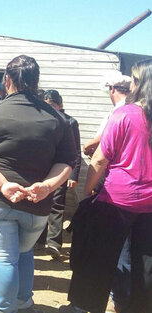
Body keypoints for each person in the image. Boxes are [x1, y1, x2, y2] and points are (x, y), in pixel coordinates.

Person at [0, 55, 75, 313]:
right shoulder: (57, 119)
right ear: (36, 82)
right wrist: (48, 186)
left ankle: (5, 310)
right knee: (25, 253)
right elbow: (67, 161)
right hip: (37, 206)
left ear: (7, 80)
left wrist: (4, 185)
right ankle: (24, 304)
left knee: (5, 259)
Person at [60, 59, 152, 313]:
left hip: (117, 200)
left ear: (141, 83)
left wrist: (88, 191)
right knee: (146, 263)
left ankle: (82, 307)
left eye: (133, 79)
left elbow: (100, 159)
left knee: (97, 257)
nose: (131, 84)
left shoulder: (125, 114)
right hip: (149, 205)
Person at [37, 90, 81, 259]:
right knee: (39, 201)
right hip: (42, 168)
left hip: (61, 170)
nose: (50, 108)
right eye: (47, 104)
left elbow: (76, 151)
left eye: (52, 104)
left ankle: (54, 244)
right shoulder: (42, 119)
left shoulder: (70, 122)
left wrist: (73, 175)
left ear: (60, 105)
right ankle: (39, 241)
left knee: (56, 204)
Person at [83, 71, 130, 157]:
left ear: (112, 89)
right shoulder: (130, 107)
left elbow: (110, 134)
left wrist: (89, 146)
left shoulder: (121, 109)